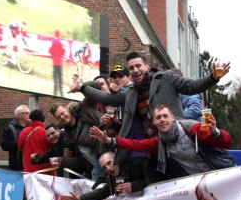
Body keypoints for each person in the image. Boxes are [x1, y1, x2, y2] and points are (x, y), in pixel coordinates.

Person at [69, 51, 229, 168]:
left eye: (138, 65)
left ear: (147, 65)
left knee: (191, 171)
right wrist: (82, 87)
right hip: (153, 146)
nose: (135, 70)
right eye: (131, 68)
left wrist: (213, 77)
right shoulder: (131, 92)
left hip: (177, 140)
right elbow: (107, 98)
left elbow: (191, 86)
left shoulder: (166, 78)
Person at [90, 104, 232, 179]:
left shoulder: (192, 128)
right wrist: (108, 140)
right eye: (158, 117)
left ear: (173, 117)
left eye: (165, 116)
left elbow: (226, 142)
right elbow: (134, 144)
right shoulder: (159, 143)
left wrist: (215, 132)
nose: (162, 120)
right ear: (154, 122)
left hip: (218, 173)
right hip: (197, 181)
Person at [50, 82, 110, 181]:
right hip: (96, 163)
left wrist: (79, 86)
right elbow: (81, 160)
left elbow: (98, 85)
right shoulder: (68, 136)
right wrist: (63, 161)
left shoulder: (84, 107)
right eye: (58, 117)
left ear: (67, 110)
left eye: (62, 113)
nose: (62, 117)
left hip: (110, 147)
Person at [60, 151, 150, 200]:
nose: (108, 168)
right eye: (104, 167)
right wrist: (80, 199)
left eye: (109, 162)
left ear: (117, 159)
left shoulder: (136, 163)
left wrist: (135, 185)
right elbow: (102, 192)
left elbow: (157, 178)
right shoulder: (113, 178)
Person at [17, 109, 53, 175]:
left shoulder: (23, 132)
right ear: (42, 117)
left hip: (28, 170)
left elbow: (20, 148)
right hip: (46, 171)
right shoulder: (47, 132)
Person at [1, 105, 30, 171]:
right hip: (16, 164)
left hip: (30, 164)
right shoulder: (9, 128)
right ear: (19, 115)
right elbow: (4, 145)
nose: (29, 115)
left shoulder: (31, 127)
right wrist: (18, 142)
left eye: (29, 113)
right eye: (26, 113)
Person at [49, 29, 65, 97]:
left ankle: (55, 94)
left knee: (55, 78)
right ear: (59, 34)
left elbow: (50, 50)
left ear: (55, 34)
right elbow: (63, 51)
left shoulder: (53, 41)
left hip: (55, 62)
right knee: (60, 78)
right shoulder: (60, 42)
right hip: (60, 62)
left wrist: (53, 56)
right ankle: (61, 93)